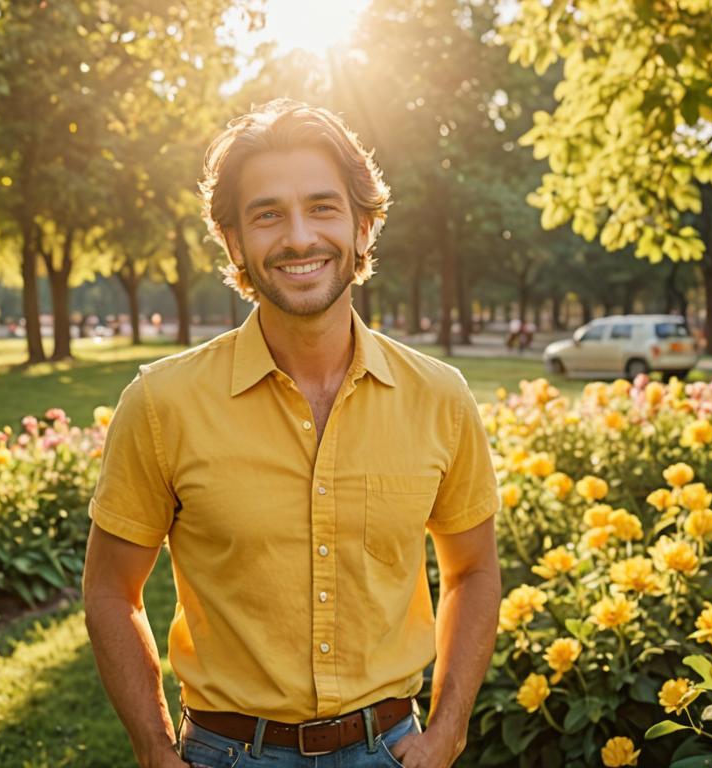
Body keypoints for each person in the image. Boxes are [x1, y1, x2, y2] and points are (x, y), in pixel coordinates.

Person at [83, 100, 502, 768]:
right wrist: (154, 749)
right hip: (227, 754)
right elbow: (110, 590)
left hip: (392, 752)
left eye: (323, 207)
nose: (299, 237)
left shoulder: (439, 398)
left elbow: (474, 571)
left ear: (364, 227)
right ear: (233, 241)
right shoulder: (162, 404)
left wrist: (448, 731)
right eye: (267, 214)